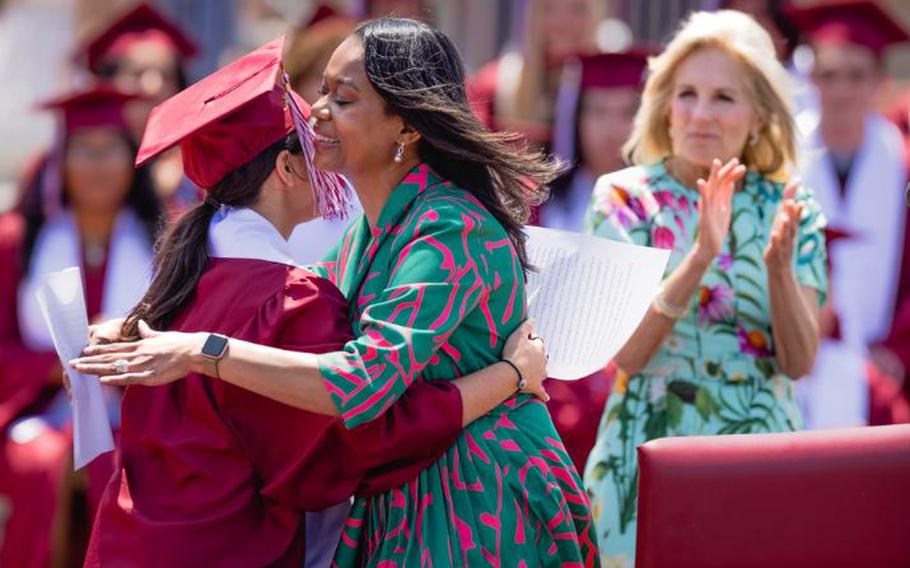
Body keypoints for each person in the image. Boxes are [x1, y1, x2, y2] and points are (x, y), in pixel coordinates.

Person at [73, 18, 599, 566]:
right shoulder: (368, 232)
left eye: (343, 99)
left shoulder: (449, 226)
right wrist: (132, 330)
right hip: (402, 498)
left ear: (407, 128)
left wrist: (204, 350)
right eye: (322, 90)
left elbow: (361, 384)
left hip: (476, 494)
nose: (315, 111)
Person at [581, 11, 827, 566]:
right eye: (687, 93)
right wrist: (700, 257)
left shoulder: (792, 207)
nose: (700, 114)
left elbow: (798, 362)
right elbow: (626, 355)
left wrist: (781, 270)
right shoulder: (624, 199)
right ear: (665, 105)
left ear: (760, 115)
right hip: (649, 449)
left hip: (758, 453)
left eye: (723, 97)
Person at [0, 86, 162, 567]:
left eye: (109, 148)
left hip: (132, 408)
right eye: (82, 150)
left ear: (133, 159)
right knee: (42, 465)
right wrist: (57, 368)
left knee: (116, 468)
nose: (97, 164)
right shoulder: (17, 241)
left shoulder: (164, 241)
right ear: (60, 161)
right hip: (38, 408)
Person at [789, 0, 909, 429]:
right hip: (791, 367)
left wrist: (898, 349)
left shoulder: (904, 163)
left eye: (856, 76)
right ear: (810, 79)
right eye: (828, 75)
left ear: (880, 81)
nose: (841, 91)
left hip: (882, 377)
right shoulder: (779, 161)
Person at [76, 2, 200, 213]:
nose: (154, 86)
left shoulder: (200, 163)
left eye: (167, 75)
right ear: (108, 84)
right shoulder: (72, 160)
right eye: (137, 73)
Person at [468, 0, 603, 148]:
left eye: (577, 9)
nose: (561, 23)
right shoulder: (494, 84)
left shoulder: (612, 90)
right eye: (548, 8)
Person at [545, 49, 650, 231]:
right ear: (575, 118)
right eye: (598, 111)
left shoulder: (660, 203)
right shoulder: (540, 200)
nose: (611, 129)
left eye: (627, 113)